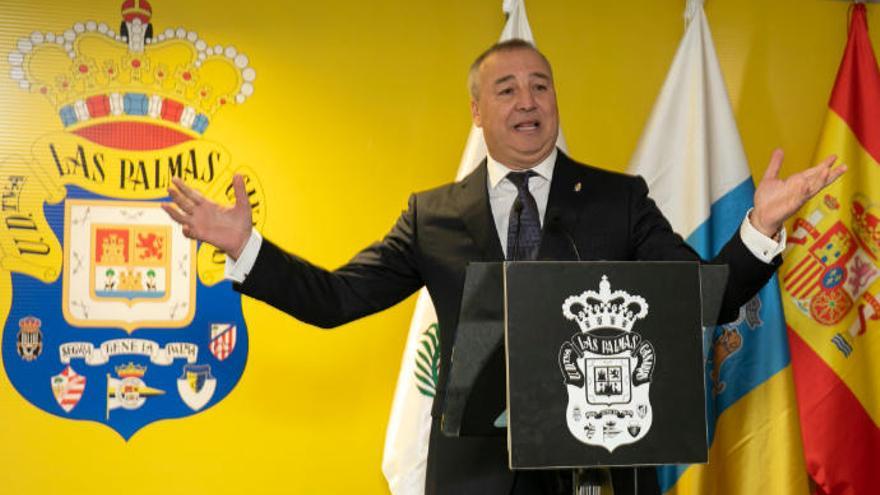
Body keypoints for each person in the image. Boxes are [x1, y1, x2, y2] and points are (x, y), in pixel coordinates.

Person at [162, 39, 845, 495]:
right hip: (472, 479)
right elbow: (337, 298)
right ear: (477, 110)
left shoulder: (618, 198)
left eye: (540, 86)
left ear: (554, 102)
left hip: (596, 471)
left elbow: (701, 299)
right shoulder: (433, 215)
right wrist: (246, 250)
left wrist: (759, 227)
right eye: (508, 88)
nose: (527, 101)